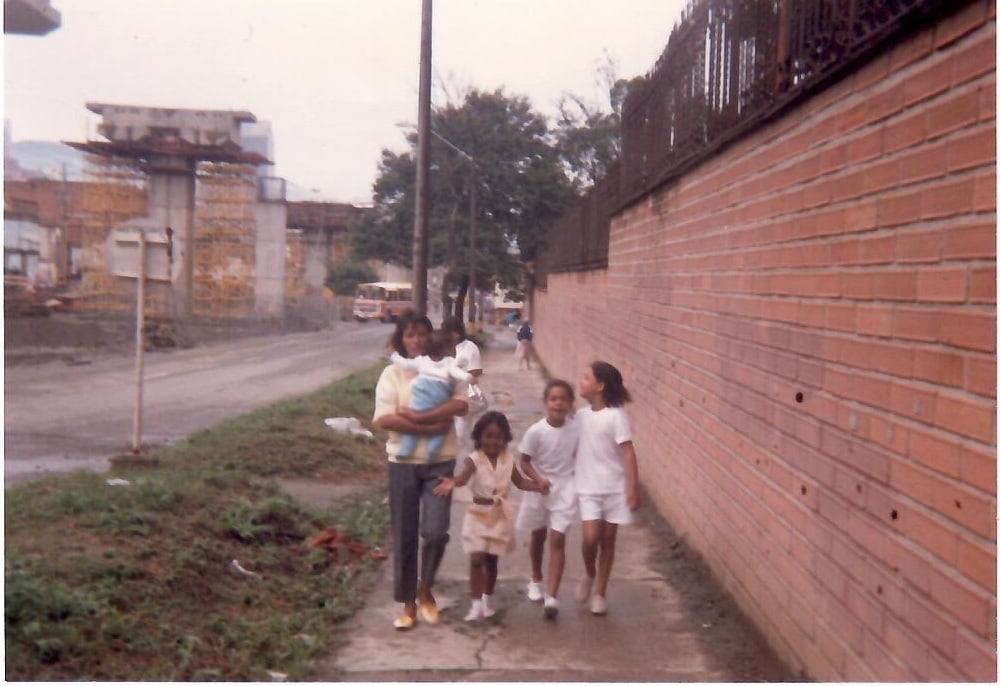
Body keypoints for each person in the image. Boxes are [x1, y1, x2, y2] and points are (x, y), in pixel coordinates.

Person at [373, 310, 469, 631]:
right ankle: (408, 605)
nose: (416, 341)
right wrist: (428, 427)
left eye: (422, 334)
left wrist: (418, 418)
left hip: (440, 462)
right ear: (401, 339)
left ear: (431, 336)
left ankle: (425, 587)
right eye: (409, 335)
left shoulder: (447, 366)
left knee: (436, 531)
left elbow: (461, 404)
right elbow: (384, 418)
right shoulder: (392, 374)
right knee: (404, 534)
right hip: (402, 465)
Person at [434, 411, 542, 622]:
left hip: (500, 516)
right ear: (479, 437)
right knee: (477, 559)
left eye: (498, 437)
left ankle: (487, 599)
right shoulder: (474, 460)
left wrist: (538, 485)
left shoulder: (508, 460)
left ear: (505, 439)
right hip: (477, 515)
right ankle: (475, 605)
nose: (493, 441)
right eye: (488, 436)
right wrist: (452, 483)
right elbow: (463, 478)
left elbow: (520, 482)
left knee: (492, 560)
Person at [574, 361, 640, 616]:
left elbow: (628, 452)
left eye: (586, 378)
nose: (581, 381)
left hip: (614, 488)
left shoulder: (616, 416)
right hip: (588, 487)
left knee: (608, 541)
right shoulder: (580, 417)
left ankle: (600, 593)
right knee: (591, 539)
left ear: (600, 385)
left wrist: (633, 487)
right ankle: (589, 572)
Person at [515, 379, 579, 619]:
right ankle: (536, 578)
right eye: (553, 399)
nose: (558, 403)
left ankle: (552, 596)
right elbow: (524, 461)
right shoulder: (536, 431)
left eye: (563, 399)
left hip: (565, 488)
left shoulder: (576, 429)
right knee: (538, 535)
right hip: (539, 488)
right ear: (545, 402)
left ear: (570, 403)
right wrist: (538, 479)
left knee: (558, 539)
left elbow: (579, 455)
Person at [389, 328, 474, 461]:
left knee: (411, 423)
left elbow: (405, 365)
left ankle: (406, 449)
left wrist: (394, 355)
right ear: (445, 349)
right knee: (439, 424)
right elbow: (458, 374)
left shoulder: (421, 361)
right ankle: (432, 452)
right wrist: (469, 377)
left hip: (421, 398)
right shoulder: (450, 363)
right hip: (440, 398)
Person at [440, 316, 485, 460]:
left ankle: (468, 463)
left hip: (466, 395)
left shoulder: (469, 348)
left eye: (448, 332)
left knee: (461, 434)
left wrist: (461, 375)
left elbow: (476, 372)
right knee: (452, 433)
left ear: (456, 333)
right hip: (447, 395)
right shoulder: (444, 347)